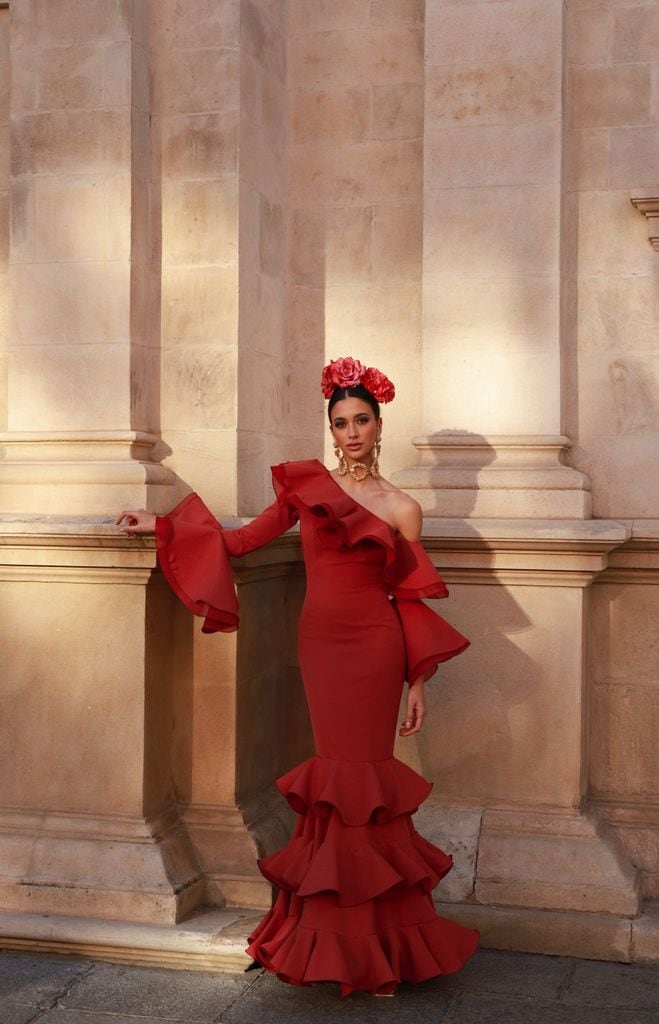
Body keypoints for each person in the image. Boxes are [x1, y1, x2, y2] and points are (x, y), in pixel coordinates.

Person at [116, 356, 479, 997]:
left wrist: (417, 681)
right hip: (320, 644)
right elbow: (241, 541)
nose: (351, 432)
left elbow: (410, 599)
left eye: (361, 420)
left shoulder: (403, 507)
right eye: (340, 423)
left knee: (365, 786)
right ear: (330, 429)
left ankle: (377, 948)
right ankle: (327, 938)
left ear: (378, 424)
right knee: (334, 784)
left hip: (375, 648)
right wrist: (163, 525)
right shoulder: (306, 489)